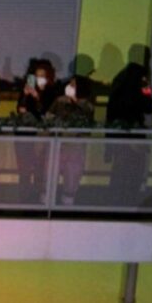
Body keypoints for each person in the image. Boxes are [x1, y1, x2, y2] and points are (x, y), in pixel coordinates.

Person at [105, 62, 152, 204]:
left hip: (119, 134)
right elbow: (148, 107)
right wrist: (146, 89)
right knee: (134, 168)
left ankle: (115, 199)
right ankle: (129, 199)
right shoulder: (137, 90)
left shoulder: (119, 87)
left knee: (120, 169)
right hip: (134, 135)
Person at [14, 59, 58, 202]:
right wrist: (26, 95)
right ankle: (24, 199)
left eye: (42, 76)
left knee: (40, 169)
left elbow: (47, 112)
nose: (39, 79)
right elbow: (21, 110)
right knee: (24, 170)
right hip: (25, 136)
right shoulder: (27, 90)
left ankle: (39, 199)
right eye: (36, 75)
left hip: (42, 137)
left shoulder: (53, 92)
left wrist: (37, 97)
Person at [49, 75, 95, 205]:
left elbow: (88, 119)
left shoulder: (87, 104)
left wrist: (75, 102)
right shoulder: (60, 101)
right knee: (52, 170)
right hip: (59, 143)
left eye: (73, 85)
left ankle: (68, 200)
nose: (70, 86)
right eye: (70, 84)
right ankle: (47, 200)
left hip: (76, 144)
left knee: (72, 173)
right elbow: (49, 116)